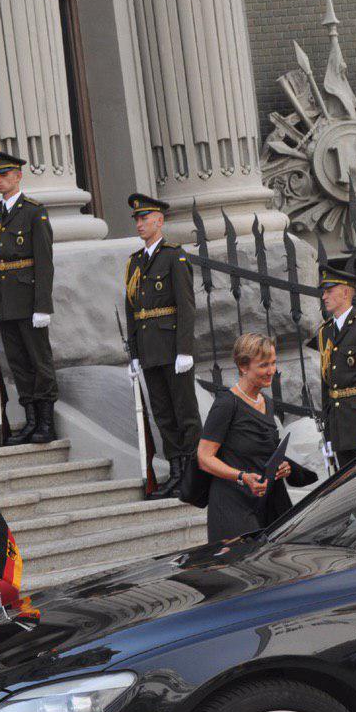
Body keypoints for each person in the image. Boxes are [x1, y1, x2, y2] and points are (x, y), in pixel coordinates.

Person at [124, 192, 201, 498]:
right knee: (163, 415)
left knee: (185, 413)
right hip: (149, 350)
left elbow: (186, 306)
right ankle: (176, 471)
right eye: (137, 219)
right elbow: (132, 311)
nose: (139, 224)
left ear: (159, 220)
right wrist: (134, 354)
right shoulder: (135, 262)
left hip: (172, 348)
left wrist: (185, 350)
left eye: (144, 218)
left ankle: (193, 474)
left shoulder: (174, 257)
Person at [0, 150, 57, 445]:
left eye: (4, 175)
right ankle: (31, 421)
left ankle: (46, 422)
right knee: (19, 364)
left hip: (28, 299)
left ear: (18, 176)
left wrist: (43, 306)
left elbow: (44, 262)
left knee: (39, 360)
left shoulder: (34, 212)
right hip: (4, 302)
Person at [198, 334, 298, 544]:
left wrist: (282, 466)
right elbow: (204, 458)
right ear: (243, 367)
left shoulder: (267, 402)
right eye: (263, 365)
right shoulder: (226, 404)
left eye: (273, 363)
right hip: (232, 505)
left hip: (264, 501)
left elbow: (263, 451)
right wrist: (242, 477)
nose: (271, 371)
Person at [307, 264, 356, 469]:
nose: (324, 296)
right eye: (324, 292)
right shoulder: (325, 332)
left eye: (329, 291)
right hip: (338, 427)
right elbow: (327, 385)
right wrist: (328, 436)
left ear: (345, 292)